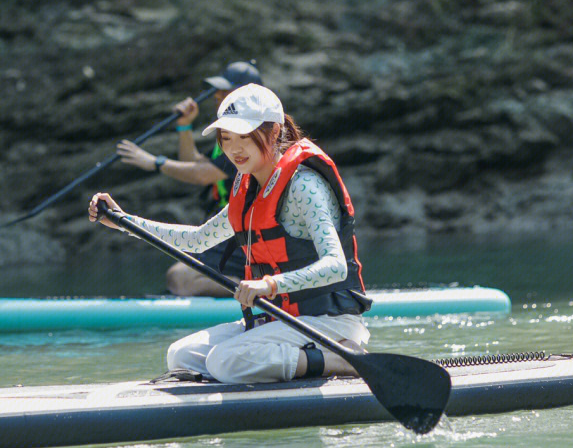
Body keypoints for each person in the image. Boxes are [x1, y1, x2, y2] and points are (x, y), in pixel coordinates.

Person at [88, 84, 371, 384]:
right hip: (280, 320)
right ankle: (274, 363)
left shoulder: (304, 186)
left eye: (245, 138)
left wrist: (270, 285)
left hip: (327, 323)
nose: (234, 149)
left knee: (224, 362)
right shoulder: (248, 186)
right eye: (226, 138)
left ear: (274, 132)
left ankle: (338, 359)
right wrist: (124, 222)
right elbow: (198, 239)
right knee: (180, 355)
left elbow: (336, 266)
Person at [115, 61, 262, 296]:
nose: (218, 96)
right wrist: (184, 127)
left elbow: (203, 175)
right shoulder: (228, 138)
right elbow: (193, 162)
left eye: (226, 91)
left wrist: (155, 162)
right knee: (177, 275)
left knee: (179, 278)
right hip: (226, 226)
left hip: (244, 234)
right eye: (219, 91)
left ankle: (254, 289)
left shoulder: (249, 138)